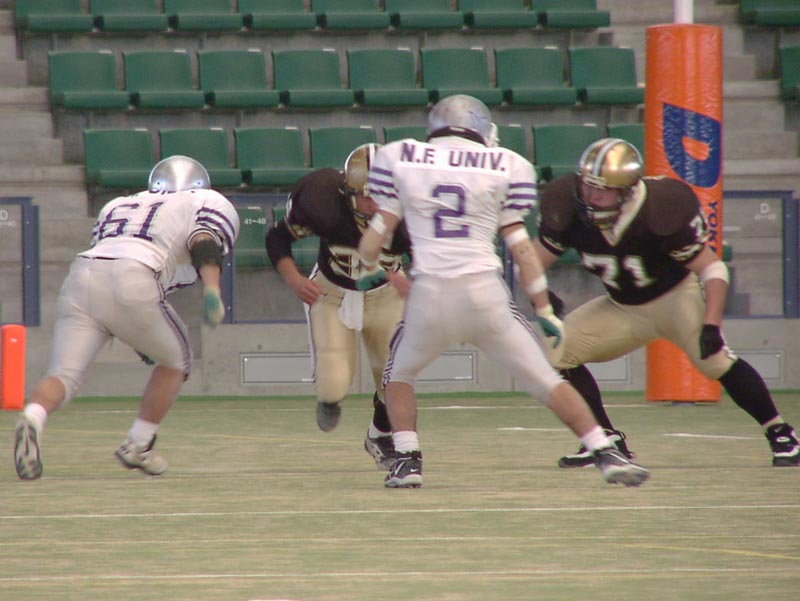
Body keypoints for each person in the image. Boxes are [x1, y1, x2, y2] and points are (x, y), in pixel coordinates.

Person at [357, 94, 650, 489]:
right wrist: (543, 308)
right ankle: (604, 451)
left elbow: (374, 240)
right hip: (484, 293)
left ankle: (408, 461)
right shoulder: (506, 164)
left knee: (399, 374)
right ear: (481, 129)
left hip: (430, 295)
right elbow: (522, 250)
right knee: (546, 379)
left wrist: (372, 269)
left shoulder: (401, 156)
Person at [532, 137, 800, 468]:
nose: (592, 195)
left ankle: (781, 433)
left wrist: (712, 324)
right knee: (558, 350)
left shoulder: (661, 207)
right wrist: (540, 295)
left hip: (674, 300)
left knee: (715, 362)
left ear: (627, 191)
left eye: (603, 189)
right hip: (622, 307)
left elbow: (712, 269)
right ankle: (605, 440)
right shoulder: (568, 205)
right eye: (588, 185)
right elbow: (533, 260)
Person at [13, 155, 240, 480]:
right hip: (135, 276)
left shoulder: (119, 204)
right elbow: (203, 241)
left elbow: (110, 264)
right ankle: (138, 445)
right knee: (177, 362)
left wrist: (138, 338)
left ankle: (33, 417)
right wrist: (213, 289)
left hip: (81, 278)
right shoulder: (204, 200)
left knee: (63, 375)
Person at [264, 143, 412, 470]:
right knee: (333, 383)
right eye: (367, 197)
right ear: (347, 193)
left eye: (383, 197)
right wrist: (294, 279)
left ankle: (380, 436)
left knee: (396, 377)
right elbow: (277, 238)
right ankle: (329, 400)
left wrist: (413, 285)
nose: (375, 206)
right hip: (332, 293)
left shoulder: (410, 216)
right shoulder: (322, 201)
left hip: (386, 294)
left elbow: (433, 263)